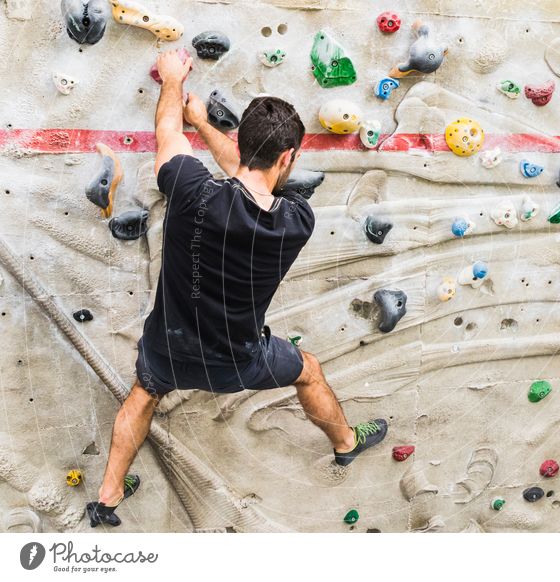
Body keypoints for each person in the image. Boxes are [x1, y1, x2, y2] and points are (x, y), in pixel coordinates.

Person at [86, 50, 388, 528]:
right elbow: (249, 176)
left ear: (241, 143)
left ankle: (107, 496)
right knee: (308, 371)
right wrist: (211, 129)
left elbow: (168, 134)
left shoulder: (190, 189)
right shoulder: (295, 221)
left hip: (170, 348)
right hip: (239, 360)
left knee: (142, 395)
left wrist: (172, 84)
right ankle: (346, 444)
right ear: (288, 157)